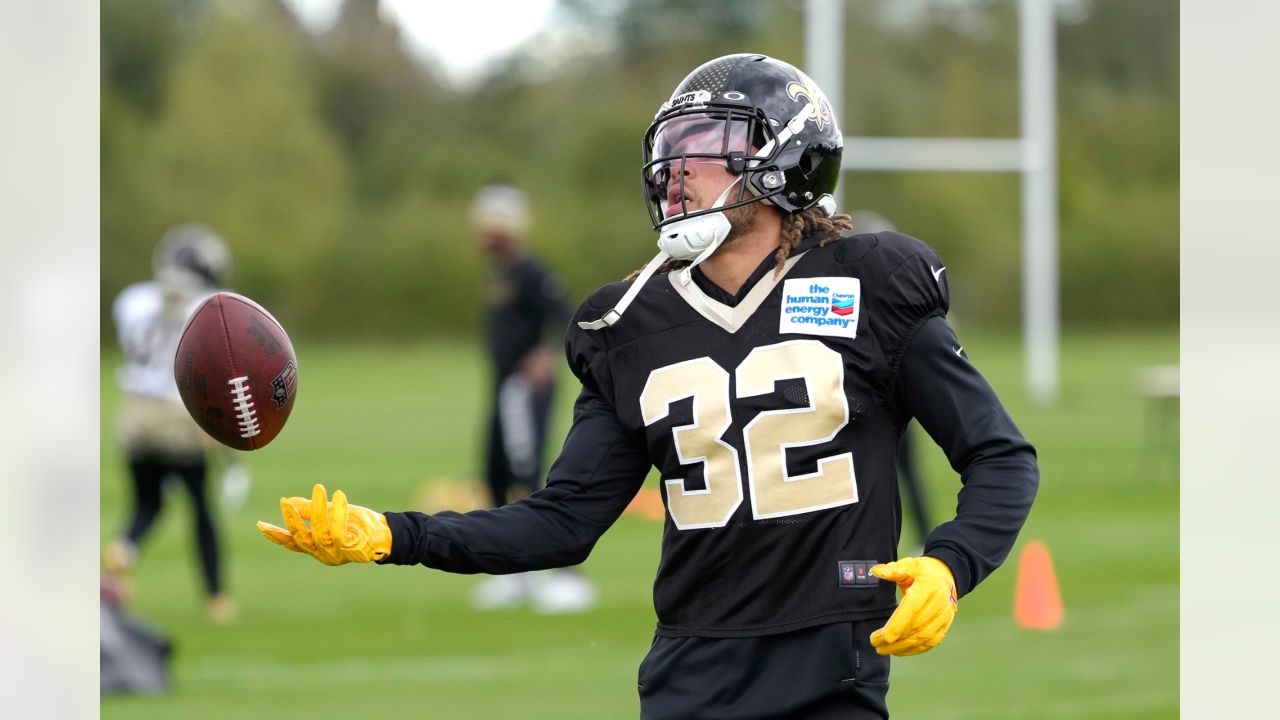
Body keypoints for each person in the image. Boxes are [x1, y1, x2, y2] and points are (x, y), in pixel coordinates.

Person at [258, 53, 1038, 719]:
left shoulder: (870, 282)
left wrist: (950, 562)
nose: (675, 172)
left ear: (785, 160)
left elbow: (1000, 455)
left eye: (705, 148)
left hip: (830, 672)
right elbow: (560, 524)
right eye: (670, 150)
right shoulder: (627, 324)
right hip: (689, 680)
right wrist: (395, 535)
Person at [467, 182, 598, 613]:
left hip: (526, 390)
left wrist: (544, 354)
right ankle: (515, 573)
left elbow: (566, 320)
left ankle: (566, 575)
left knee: (530, 473)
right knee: (495, 472)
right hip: (503, 388)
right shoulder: (498, 272)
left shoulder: (532, 272)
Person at [107, 223, 240, 623]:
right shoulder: (207, 305)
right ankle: (216, 597)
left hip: (133, 414)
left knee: (146, 503)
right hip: (179, 413)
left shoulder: (131, 300)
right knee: (200, 507)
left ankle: (123, 548)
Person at [848, 210, 934, 553]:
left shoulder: (892, 294)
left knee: (894, 477)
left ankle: (919, 539)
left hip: (881, 401)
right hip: (871, 401)